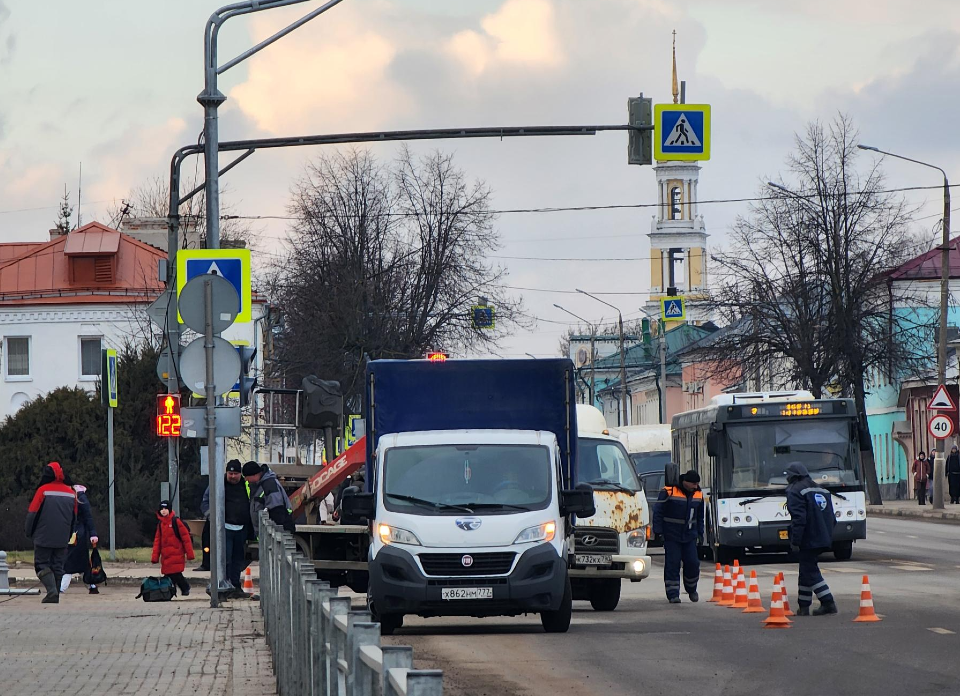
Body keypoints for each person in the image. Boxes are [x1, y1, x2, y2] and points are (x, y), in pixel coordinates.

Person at [785, 462, 837, 616]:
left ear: (793, 476)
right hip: (823, 536)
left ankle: (828, 602)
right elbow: (832, 518)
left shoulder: (795, 491)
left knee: (810, 571)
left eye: (788, 475)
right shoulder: (821, 489)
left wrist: (795, 540)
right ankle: (804, 606)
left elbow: (799, 519)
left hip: (808, 538)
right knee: (805, 570)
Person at [24, 462, 77, 604]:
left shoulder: (43, 491)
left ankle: (52, 592)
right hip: (62, 537)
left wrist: (28, 532)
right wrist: (68, 535)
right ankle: (55, 594)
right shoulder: (71, 493)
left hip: (43, 536)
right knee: (57, 566)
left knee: (41, 564)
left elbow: (32, 514)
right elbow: (74, 518)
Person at [652, 469, 704, 604]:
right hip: (671, 536)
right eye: (693, 484)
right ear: (685, 482)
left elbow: (700, 516)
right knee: (672, 564)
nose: (696, 486)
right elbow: (658, 511)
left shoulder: (698, 493)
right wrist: (658, 532)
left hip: (689, 536)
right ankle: (673, 594)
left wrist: (700, 533)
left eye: (697, 484)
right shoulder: (669, 491)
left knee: (693, 563)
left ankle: (692, 589)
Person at [151, 500, 195, 597]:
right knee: (169, 575)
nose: (163, 511)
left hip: (177, 553)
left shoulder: (176, 521)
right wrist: (155, 556)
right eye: (162, 509)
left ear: (170, 510)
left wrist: (190, 554)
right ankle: (171, 591)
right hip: (166, 555)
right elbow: (157, 541)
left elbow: (186, 538)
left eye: (166, 509)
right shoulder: (161, 524)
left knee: (176, 574)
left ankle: (183, 588)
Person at [61, 483, 100, 594]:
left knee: (68, 563)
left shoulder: (80, 499)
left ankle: (61, 588)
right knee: (82, 564)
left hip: (77, 536)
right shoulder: (78, 498)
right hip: (77, 535)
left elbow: (88, 518)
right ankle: (92, 585)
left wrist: (93, 534)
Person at [243, 461, 295, 536]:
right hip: (270, 532)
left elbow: (277, 511)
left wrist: (275, 533)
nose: (246, 480)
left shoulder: (269, 485)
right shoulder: (261, 484)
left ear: (254, 475)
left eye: (246, 477)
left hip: (277, 532)